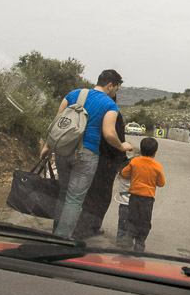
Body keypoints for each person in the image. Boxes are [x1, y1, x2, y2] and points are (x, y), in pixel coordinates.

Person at [40, 69, 134, 240]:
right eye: (116, 89)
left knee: (63, 192)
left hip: (63, 150)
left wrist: (47, 146)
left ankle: (56, 231)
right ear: (110, 85)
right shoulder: (109, 105)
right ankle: (62, 238)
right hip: (86, 154)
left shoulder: (73, 94)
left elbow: (57, 124)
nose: (115, 93)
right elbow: (109, 134)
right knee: (74, 199)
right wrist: (122, 146)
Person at [72, 86, 129, 240]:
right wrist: (122, 160)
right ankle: (90, 227)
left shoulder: (88, 108)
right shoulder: (113, 113)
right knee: (100, 196)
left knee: (78, 192)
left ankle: (71, 226)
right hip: (105, 161)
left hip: (80, 153)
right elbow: (117, 138)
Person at [120, 137, 166, 252]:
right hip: (148, 199)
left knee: (131, 218)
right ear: (155, 153)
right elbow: (161, 183)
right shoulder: (157, 166)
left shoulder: (135, 161)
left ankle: (128, 237)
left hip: (134, 197)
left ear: (140, 151)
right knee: (145, 221)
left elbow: (124, 174)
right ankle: (140, 243)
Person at [114, 158, 133, 247]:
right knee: (132, 223)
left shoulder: (121, 175)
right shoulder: (135, 178)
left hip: (122, 203)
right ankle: (128, 239)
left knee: (121, 222)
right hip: (133, 203)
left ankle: (119, 239)